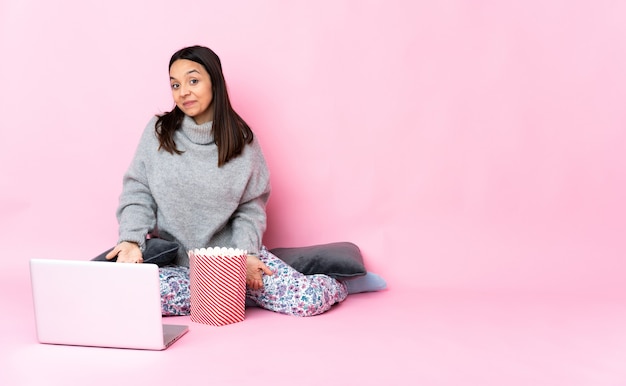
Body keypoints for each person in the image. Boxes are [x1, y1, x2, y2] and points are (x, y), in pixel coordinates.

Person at [105, 45, 348, 317]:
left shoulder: (243, 141)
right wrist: (131, 240)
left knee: (307, 301)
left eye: (193, 80)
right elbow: (138, 191)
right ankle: (234, 296)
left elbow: (250, 207)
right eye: (175, 84)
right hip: (176, 267)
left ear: (215, 81)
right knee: (130, 297)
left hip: (232, 260)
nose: (183, 91)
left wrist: (247, 254)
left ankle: (342, 282)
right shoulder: (158, 132)